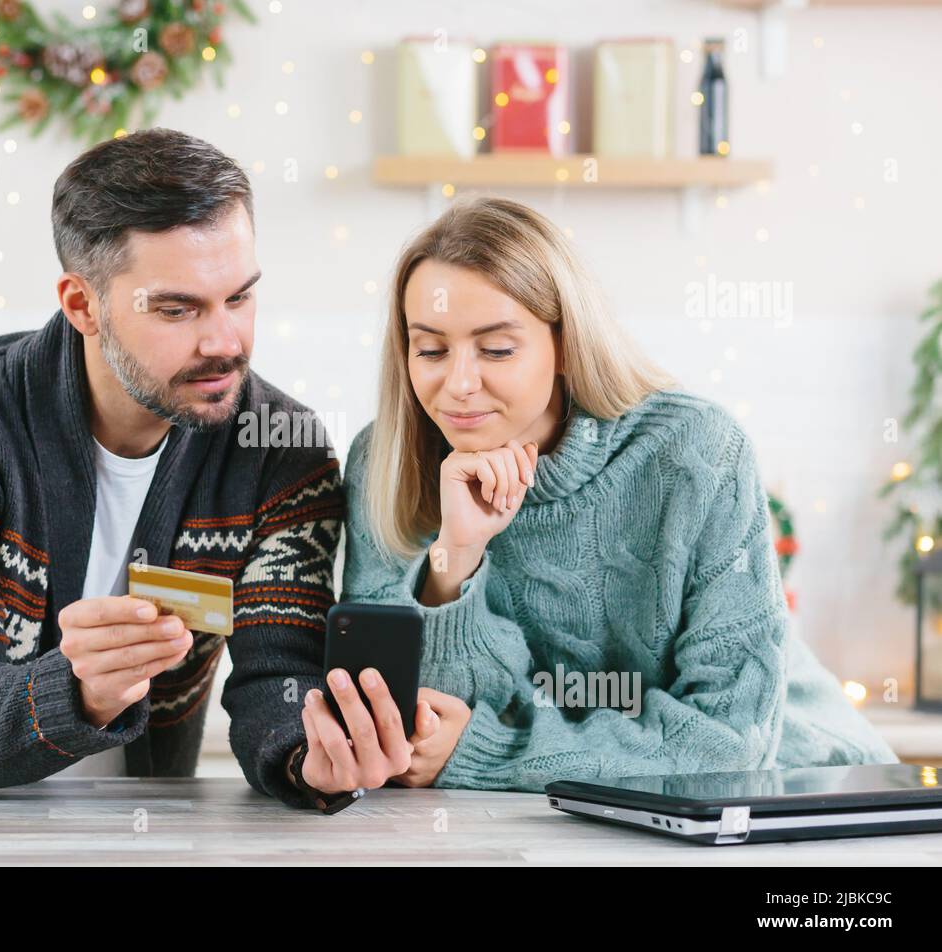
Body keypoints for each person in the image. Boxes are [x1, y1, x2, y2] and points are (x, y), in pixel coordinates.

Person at [305, 195, 897, 795]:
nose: (457, 384)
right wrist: (453, 559)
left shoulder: (696, 451)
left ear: (565, 345)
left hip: (804, 790)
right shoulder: (387, 461)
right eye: (430, 350)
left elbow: (729, 743)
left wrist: (496, 753)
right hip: (540, 821)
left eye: (497, 349)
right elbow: (408, 732)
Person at [0, 128, 344, 809]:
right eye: (177, 309)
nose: (224, 341)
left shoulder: (281, 451)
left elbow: (278, 675)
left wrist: (308, 758)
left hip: (140, 827)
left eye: (240, 298)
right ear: (82, 305)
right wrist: (80, 689)